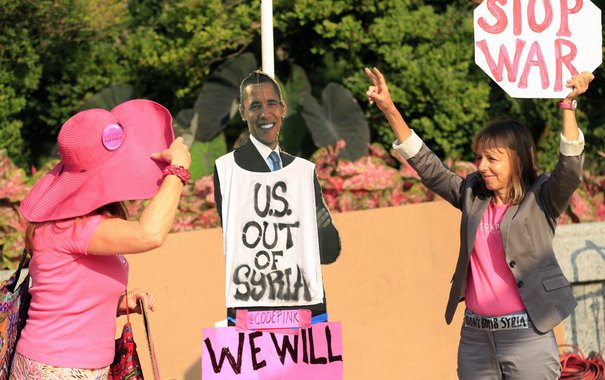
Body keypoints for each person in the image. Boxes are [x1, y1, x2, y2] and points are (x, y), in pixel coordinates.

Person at [365, 66, 593, 379]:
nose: (481, 166)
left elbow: (569, 169)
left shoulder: (542, 197)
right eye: (479, 158)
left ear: (517, 160)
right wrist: (389, 108)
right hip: (475, 338)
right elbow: (430, 168)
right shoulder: (472, 194)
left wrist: (568, 106)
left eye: (492, 159)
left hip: (526, 336)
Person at [12, 99, 191, 378]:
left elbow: (65, 295)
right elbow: (150, 234)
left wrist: (117, 303)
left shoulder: (79, 223)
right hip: (57, 369)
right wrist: (178, 170)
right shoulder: (72, 225)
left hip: (72, 366)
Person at [213, 70, 341, 326]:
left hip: (306, 311)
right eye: (255, 106)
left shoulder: (304, 172)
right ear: (242, 113)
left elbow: (328, 252)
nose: (264, 113)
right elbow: (241, 247)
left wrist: (322, 223)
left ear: (283, 108)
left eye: (272, 103)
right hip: (255, 314)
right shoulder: (228, 170)